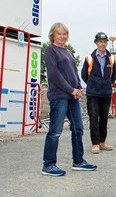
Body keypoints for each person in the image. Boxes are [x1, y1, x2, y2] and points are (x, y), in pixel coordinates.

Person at [41, 22, 97, 177]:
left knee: (78, 128)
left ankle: (78, 161)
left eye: (64, 34)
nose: (62, 36)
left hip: (72, 96)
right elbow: (55, 75)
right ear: (53, 34)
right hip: (59, 97)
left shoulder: (68, 52)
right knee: (55, 131)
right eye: (59, 34)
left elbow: (73, 73)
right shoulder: (50, 50)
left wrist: (78, 88)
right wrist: (71, 90)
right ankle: (48, 164)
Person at [81, 32, 116, 154]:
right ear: (96, 43)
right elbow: (84, 75)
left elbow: (114, 76)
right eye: (100, 41)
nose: (103, 44)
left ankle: (102, 142)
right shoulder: (89, 58)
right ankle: (95, 143)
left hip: (106, 93)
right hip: (93, 94)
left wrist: (106, 83)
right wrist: (93, 84)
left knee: (104, 119)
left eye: (105, 41)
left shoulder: (111, 58)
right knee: (94, 118)